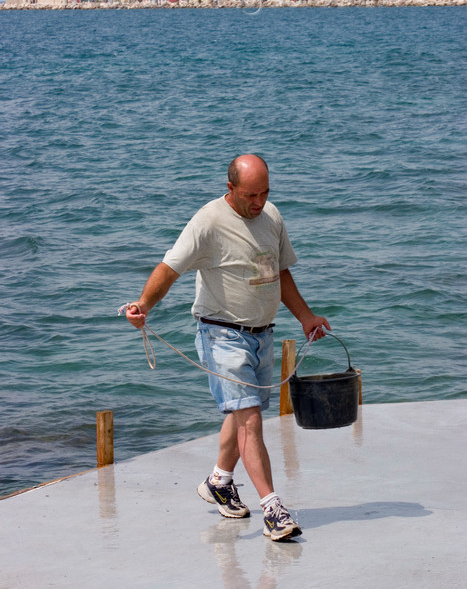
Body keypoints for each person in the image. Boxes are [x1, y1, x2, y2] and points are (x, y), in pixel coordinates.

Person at [126, 154, 330, 541]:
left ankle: (219, 481)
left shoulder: (271, 216)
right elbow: (169, 267)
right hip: (222, 335)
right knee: (250, 420)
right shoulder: (208, 221)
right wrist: (143, 306)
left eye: (265, 192)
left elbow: (278, 270)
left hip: (263, 334)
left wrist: (305, 316)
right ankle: (273, 509)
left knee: (241, 416)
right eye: (251, 194)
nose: (259, 202)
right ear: (230, 188)